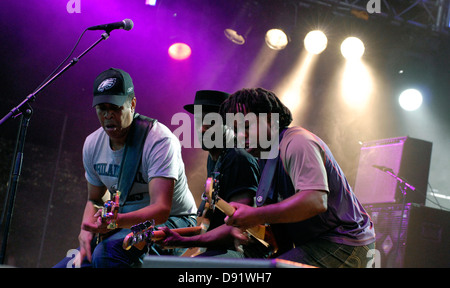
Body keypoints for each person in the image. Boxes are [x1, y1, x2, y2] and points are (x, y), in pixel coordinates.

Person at [54, 68, 197, 268]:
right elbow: (95, 198)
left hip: (175, 220)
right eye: (101, 108)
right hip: (123, 224)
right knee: (72, 265)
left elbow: (161, 210)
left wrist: (116, 222)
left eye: (115, 107)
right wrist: (87, 230)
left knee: (108, 254)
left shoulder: (159, 140)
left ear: (132, 104)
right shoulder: (92, 144)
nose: (108, 115)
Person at [219, 87, 376, 268]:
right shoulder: (266, 158)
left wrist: (254, 215)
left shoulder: (298, 142)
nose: (240, 136)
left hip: (345, 243)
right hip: (319, 243)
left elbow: (315, 201)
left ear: (269, 118)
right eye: (235, 130)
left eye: (246, 126)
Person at [157, 90, 264, 258]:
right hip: (219, 248)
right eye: (199, 120)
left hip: (243, 252)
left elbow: (240, 225)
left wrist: (184, 241)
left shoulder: (238, 158)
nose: (202, 128)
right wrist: (167, 234)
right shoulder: (214, 157)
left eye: (211, 122)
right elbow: (209, 225)